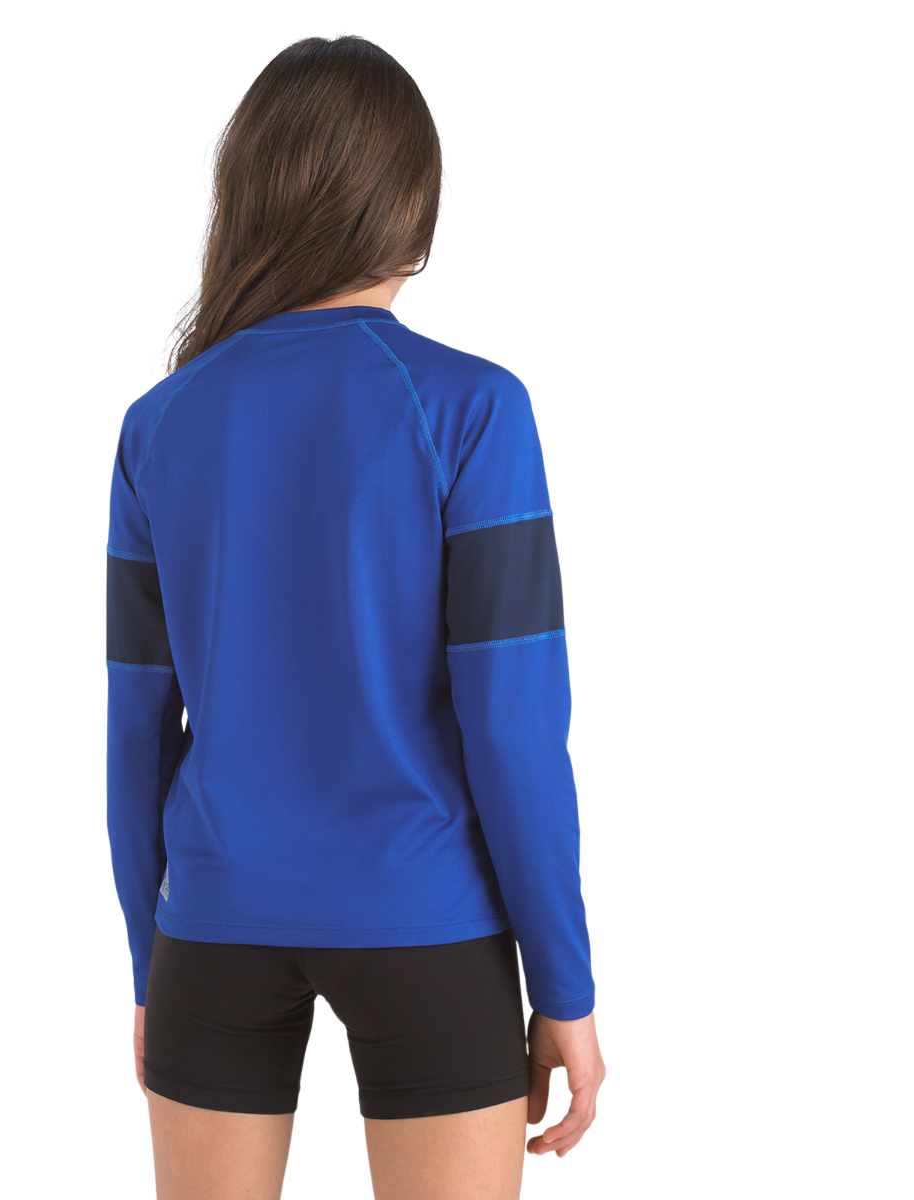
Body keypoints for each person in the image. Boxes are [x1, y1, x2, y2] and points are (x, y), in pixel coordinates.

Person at [105, 32, 606, 1199]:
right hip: (426, 921)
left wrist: (147, 969)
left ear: (250, 193)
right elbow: (516, 731)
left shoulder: (158, 425)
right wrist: (566, 992)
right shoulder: (475, 407)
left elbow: (133, 731)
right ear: (412, 201)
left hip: (211, 931)